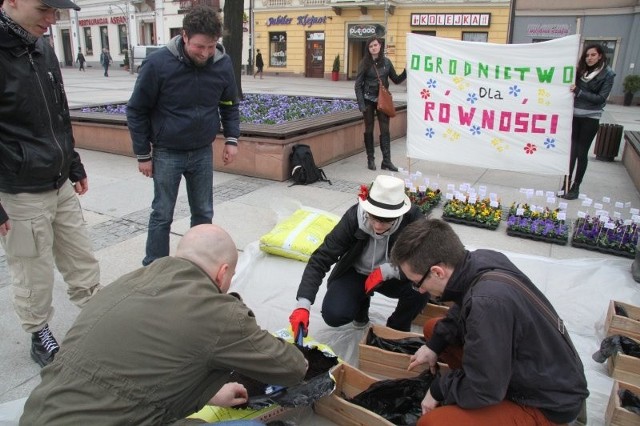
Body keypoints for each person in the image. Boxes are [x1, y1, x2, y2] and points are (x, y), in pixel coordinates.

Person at [20, 224, 308, 425]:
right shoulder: (216, 313)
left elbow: (139, 364)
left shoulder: (128, 282)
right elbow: (293, 368)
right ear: (222, 273)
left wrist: (209, 393)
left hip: (37, 415)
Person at [390, 219, 589, 426]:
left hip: (546, 403)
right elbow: (459, 308)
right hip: (535, 369)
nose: (420, 291)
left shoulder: (486, 304)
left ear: (438, 272)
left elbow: (486, 387)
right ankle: (470, 392)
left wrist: (440, 388)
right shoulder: (481, 259)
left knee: (433, 422)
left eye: (417, 283)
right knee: (435, 330)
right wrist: (434, 346)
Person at [0, 0, 102, 368]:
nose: (52, 19)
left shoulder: (42, 47)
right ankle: (38, 330)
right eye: (45, 8)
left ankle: (98, 316)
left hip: (58, 180)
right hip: (19, 188)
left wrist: (73, 163)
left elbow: (59, 110)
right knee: (32, 268)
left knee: (81, 257)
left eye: (57, 10)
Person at [127, 5, 240, 266]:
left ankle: (199, 265)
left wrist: (232, 139)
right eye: (200, 46)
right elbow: (137, 110)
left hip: (202, 151)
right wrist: (143, 154)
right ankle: (154, 266)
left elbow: (229, 104)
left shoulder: (222, 64)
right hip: (167, 152)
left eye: (211, 46)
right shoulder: (158, 64)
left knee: (203, 212)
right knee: (162, 213)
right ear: (185, 35)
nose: (206, 53)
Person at [289, 175, 430, 338]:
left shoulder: (413, 219)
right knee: (334, 314)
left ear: (398, 215)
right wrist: (303, 305)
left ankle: (396, 326)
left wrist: (389, 271)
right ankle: (361, 304)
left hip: (394, 276)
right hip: (357, 273)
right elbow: (321, 258)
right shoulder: (353, 217)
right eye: (374, 218)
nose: (377, 226)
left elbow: (425, 258)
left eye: (385, 221)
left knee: (423, 286)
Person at [562, 43, 615, 200]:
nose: (589, 58)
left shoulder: (607, 74)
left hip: (590, 118)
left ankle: (576, 186)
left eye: (593, 55)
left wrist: (579, 92)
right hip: (574, 116)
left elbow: (600, 98)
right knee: (571, 152)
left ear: (600, 56)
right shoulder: (579, 71)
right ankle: (566, 183)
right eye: (587, 55)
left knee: (581, 152)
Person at [354, 36, 406, 172]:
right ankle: (370, 159)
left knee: (385, 130)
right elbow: (358, 85)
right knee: (369, 129)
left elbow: (396, 79)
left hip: (382, 100)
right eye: (370, 46)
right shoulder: (364, 63)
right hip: (368, 100)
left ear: (380, 46)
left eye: (375, 45)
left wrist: (407, 71)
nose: (373, 48)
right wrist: (361, 104)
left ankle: (386, 161)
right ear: (368, 49)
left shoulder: (387, 63)